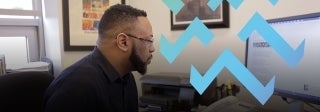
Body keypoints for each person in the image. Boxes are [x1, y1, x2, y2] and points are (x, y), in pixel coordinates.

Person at [44, 4, 155, 112]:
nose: (152, 49)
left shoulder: (126, 77)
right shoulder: (75, 88)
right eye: (148, 41)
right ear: (123, 42)